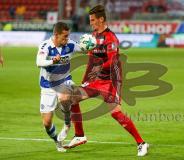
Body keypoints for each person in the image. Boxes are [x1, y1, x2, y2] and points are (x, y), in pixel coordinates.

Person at [66, 5, 149, 156]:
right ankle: (79, 136)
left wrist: (98, 69)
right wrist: (86, 80)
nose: (91, 23)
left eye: (93, 20)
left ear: (101, 19)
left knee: (115, 113)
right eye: (90, 20)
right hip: (96, 79)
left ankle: (141, 143)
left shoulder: (110, 38)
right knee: (72, 97)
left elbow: (112, 62)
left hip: (112, 80)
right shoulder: (94, 36)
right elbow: (92, 59)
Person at [36, 22, 85, 152]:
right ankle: (57, 141)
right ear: (56, 35)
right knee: (46, 122)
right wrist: (53, 61)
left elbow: (84, 49)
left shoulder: (70, 45)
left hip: (64, 81)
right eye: (64, 36)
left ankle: (67, 123)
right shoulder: (45, 46)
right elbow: (39, 62)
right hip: (47, 86)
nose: (67, 39)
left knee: (65, 97)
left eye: (68, 36)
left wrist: (92, 44)